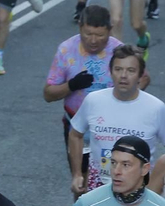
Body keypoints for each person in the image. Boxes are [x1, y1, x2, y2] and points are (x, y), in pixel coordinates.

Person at [66, 44, 165, 196]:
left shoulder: (156, 108)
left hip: (138, 189)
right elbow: (75, 134)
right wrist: (77, 174)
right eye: (118, 69)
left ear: (140, 75)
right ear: (111, 72)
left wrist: (156, 185)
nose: (123, 75)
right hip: (98, 186)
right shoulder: (94, 101)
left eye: (130, 70)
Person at [45, 6, 124, 156]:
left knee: (110, 176)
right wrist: (71, 85)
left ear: (110, 29)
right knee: (81, 176)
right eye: (88, 34)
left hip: (112, 125)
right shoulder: (66, 50)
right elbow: (48, 94)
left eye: (100, 35)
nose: (93, 40)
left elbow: (142, 80)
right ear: (80, 27)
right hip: (76, 125)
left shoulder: (120, 51)